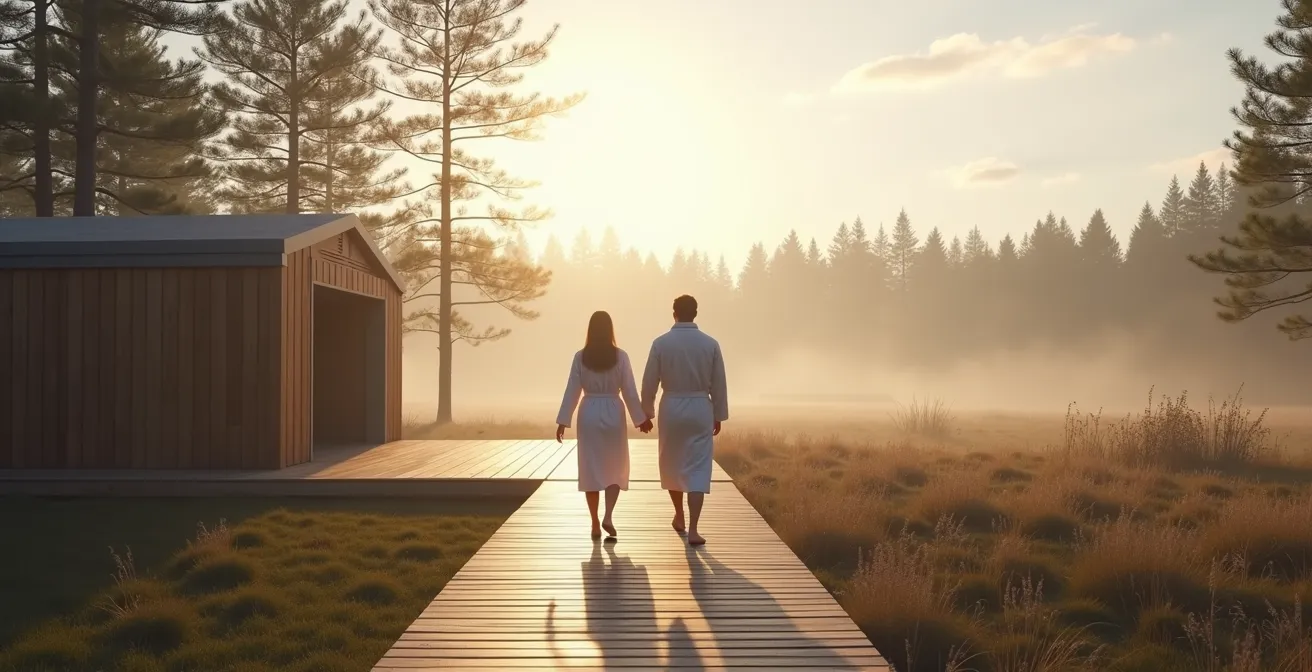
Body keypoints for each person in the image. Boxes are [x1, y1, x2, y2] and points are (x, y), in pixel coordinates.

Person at [556, 310, 653, 541]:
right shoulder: (621, 357)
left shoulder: (580, 357)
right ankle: (609, 515)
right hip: (613, 411)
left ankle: (594, 523)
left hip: (588, 411)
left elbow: (573, 390)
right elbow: (629, 390)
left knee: (590, 468)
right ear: (610, 329)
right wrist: (641, 419)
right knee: (614, 466)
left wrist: (563, 420)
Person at [640, 295, 728, 547]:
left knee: (672, 462)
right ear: (696, 313)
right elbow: (719, 384)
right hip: (701, 406)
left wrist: (647, 411)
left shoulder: (661, 344)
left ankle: (678, 514)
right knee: (698, 466)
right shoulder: (710, 344)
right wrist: (718, 414)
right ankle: (694, 528)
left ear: (674, 313)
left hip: (671, 407)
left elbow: (649, 382)